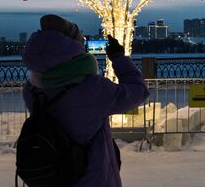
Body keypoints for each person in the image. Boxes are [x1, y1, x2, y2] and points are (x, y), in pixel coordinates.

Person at [21, 14, 150, 186]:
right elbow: (138, 91)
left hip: (52, 174)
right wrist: (119, 58)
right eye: (80, 41)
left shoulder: (31, 89)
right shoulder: (92, 89)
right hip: (92, 179)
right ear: (73, 48)